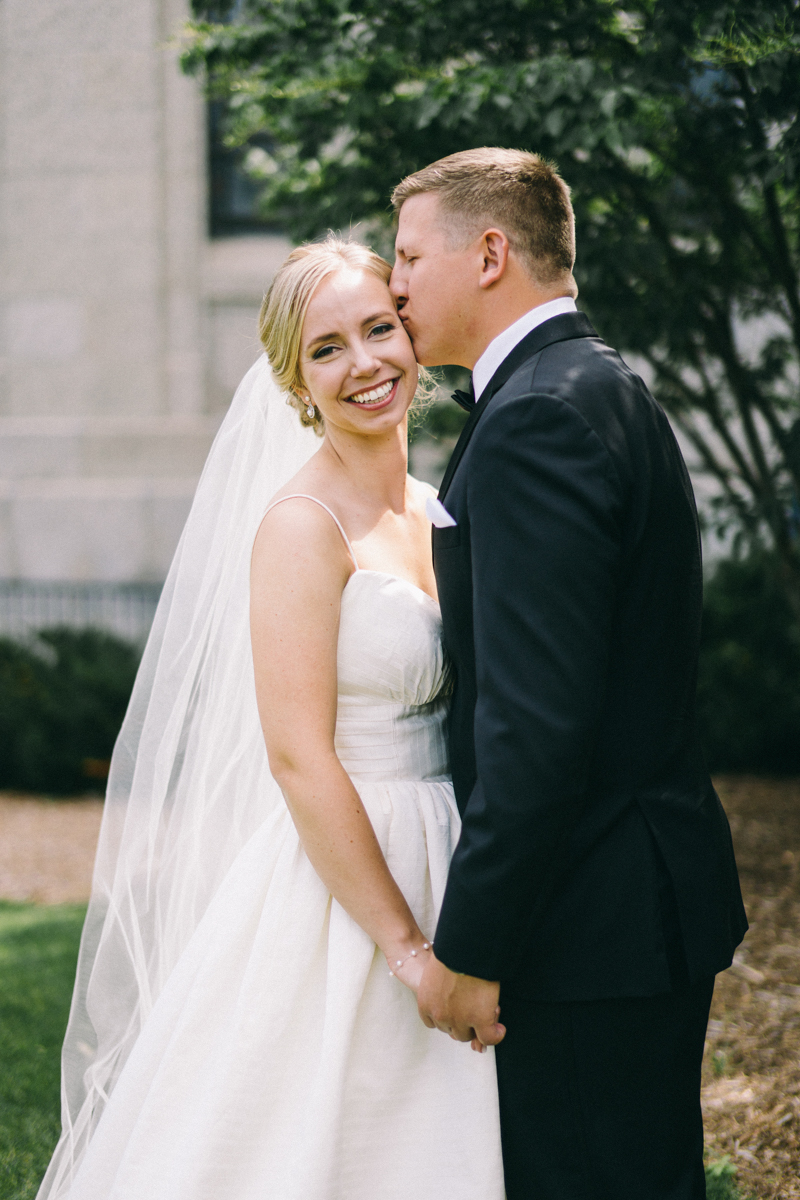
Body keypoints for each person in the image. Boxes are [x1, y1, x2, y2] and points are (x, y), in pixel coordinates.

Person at [37, 238, 504, 1200]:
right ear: (296, 382)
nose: (364, 363)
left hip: (450, 839)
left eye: (380, 328)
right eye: (327, 348)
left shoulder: (434, 506)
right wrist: (410, 951)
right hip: (350, 867)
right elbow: (298, 759)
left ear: (412, 337)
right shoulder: (301, 525)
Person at [390, 147, 748, 1200]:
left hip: (585, 925)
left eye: (410, 254)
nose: (395, 280)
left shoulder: (537, 418)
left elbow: (535, 730)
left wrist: (469, 947)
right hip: (633, 905)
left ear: (489, 250)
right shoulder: (599, 385)